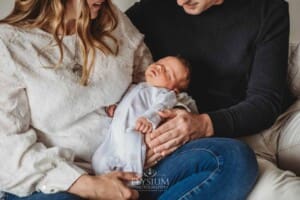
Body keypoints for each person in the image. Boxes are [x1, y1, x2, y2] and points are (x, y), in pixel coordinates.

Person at [0, 0, 258, 200]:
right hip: (61, 183)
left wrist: (173, 119)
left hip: (135, 172)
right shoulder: (10, 44)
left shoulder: (114, 25)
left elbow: (155, 88)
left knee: (233, 159)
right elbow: (7, 150)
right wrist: (90, 186)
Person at [126, 0, 300, 199]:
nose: (181, 1)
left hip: (277, 124)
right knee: (291, 194)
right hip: (220, 145)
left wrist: (204, 124)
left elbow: (266, 102)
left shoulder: (267, 8)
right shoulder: (148, 11)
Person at [92, 56, 197, 179]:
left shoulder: (165, 94)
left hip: (134, 130)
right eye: (159, 63)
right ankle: (107, 184)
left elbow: (161, 107)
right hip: (115, 133)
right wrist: (115, 107)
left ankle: (132, 181)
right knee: (98, 159)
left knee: (131, 155)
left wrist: (149, 119)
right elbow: (126, 101)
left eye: (167, 73)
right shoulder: (135, 86)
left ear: (174, 90)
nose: (159, 68)